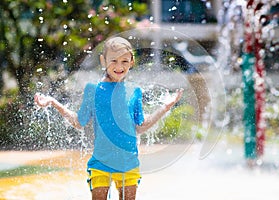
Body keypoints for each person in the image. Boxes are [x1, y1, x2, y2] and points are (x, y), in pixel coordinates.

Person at [34, 36, 183, 200]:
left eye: (125, 61)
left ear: (132, 62)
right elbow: (78, 122)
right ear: (103, 61)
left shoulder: (135, 91)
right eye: (113, 61)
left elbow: (140, 126)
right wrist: (54, 103)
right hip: (101, 164)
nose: (119, 66)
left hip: (129, 164)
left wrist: (165, 107)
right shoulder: (93, 90)